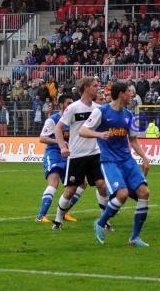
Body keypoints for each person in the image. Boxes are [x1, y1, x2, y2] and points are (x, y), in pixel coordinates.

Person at [79, 81, 150, 246]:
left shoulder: (129, 115)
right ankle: (100, 223)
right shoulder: (101, 111)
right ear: (121, 94)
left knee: (144, 193)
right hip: (110, 161)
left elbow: (133, 140)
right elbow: (83, 130)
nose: (131, 95)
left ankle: (134, 238)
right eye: (129, 92)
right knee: (122, 194)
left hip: (127, 161)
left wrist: (144, 158)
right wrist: (98, 134)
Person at [52, 77, 109, 231]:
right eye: (95, 86)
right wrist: (63, 146)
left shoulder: (98, 109)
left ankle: (104, 221)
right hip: (77, 155)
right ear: (86, 88)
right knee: (70, 190)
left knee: (102, 186)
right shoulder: (73, 108)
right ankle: (58, 220)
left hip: (95, 154)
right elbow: (58, 128)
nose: (98, 88)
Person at [35, 94, 80, 223]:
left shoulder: (74, 121)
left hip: (69, 155)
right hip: (54, 154)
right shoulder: (53, 120)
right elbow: (42, 138)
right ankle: (40, 216)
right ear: (61, 105)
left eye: (72, 103)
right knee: (54, 182)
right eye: (68, 103)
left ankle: (64, 212)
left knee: (79, 183)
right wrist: (59, 142)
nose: (71, 105)